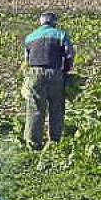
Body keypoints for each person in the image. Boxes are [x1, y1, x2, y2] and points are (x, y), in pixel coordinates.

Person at [21, 12, 74, 150]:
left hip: (34, 74)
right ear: (54, 22)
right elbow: (69, 54)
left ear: (41, 22)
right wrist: (66, 71)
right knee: (56, 108)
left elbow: (26, 60)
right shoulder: (60, 34)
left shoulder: (30, 37)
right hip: (54, 72)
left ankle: (33, 144)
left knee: (36, 108)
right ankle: (54, 142)